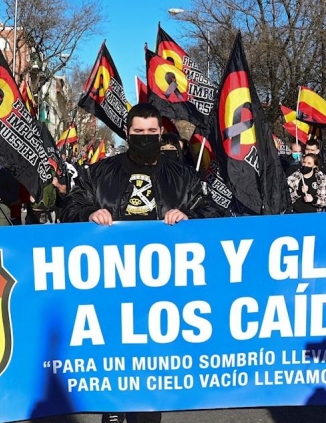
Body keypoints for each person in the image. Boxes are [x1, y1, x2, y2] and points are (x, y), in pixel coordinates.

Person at [61, 103, 223, 423]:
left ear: (160, 133)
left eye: (152, 132)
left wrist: (189, 217)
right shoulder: (99, 172)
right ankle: (114, 411)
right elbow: (72, 205)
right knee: (115, 365)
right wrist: (87, 214)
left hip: (162, 292)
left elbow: (211, 213)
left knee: (151, 375)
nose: (146, 137)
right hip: (112, 288)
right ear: (128, 132)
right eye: (139, 132)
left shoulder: (182, 175)